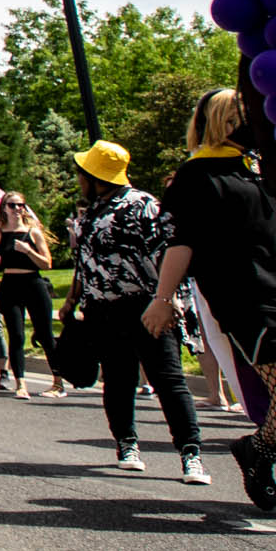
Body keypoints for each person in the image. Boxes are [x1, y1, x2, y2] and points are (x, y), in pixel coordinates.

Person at [157, 91, 276, 543]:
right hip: (250, 296)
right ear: (222, 121)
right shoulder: (197, 174)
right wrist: (163, 298)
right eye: (242, 114)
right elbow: (181, 241)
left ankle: (259, 447)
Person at [62, 141, 209, 484]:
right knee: (117, 380)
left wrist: (169, 299)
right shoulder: (93, 210)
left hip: (144, 304)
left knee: (168, 380)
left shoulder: (144, 205)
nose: (78, 178)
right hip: (102, 310)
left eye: (82, 172)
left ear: (93, 175)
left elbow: (167, 254)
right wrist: (72, 299)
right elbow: (86, 264)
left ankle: (191, 453)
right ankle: (126, 444)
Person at [0, 195, 58, 397]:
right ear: (4, 208)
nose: (17, 209)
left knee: (45, 334)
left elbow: (47, 263)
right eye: (12, 205)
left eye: (21, 205)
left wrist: (29, 251)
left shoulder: (33, 232)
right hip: (10, 285)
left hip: (34, 284)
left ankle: (57, 381)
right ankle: (21, 383)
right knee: (17, 335)